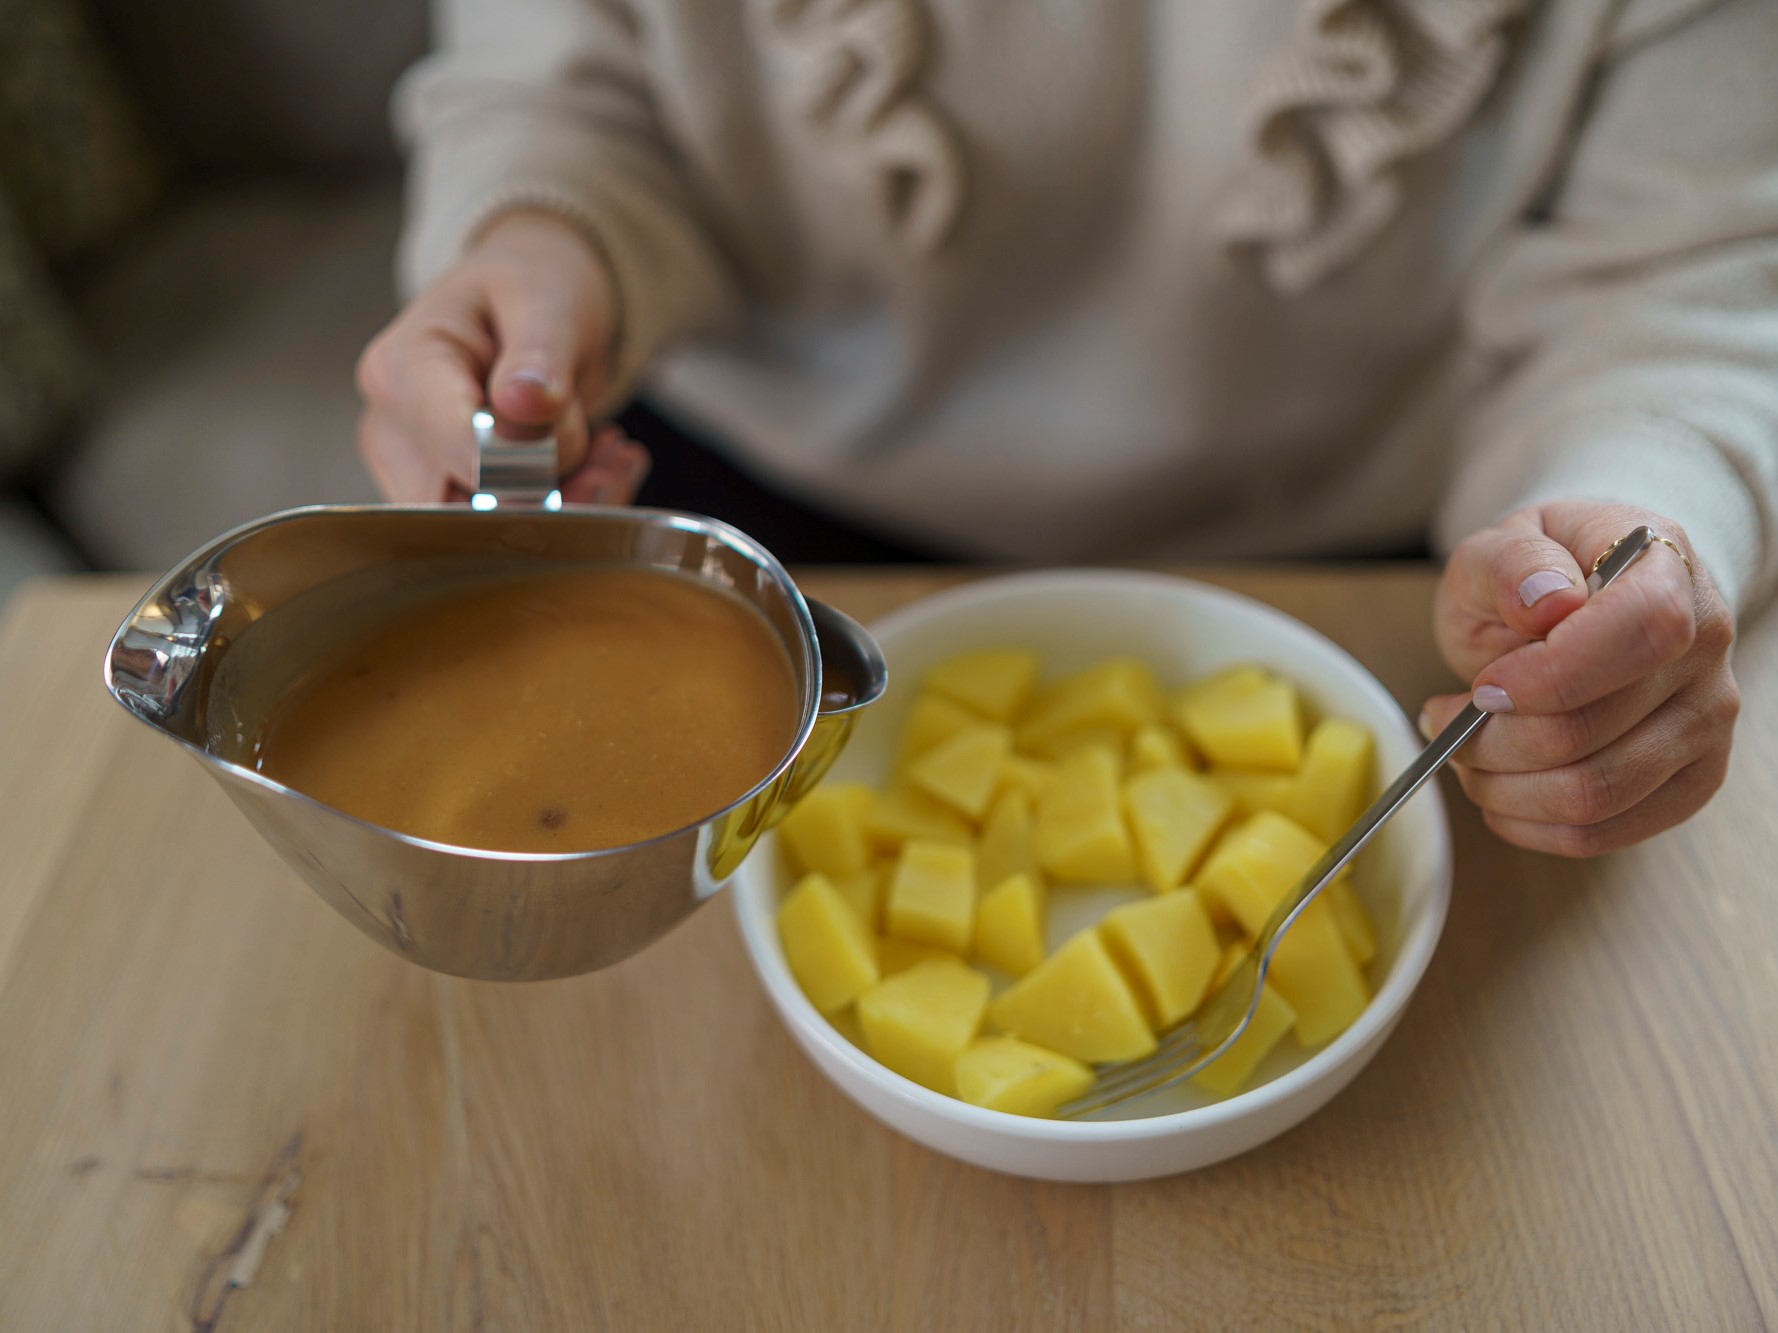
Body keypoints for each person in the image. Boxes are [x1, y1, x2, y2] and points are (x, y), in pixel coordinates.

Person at [356, 0, 1776, 857]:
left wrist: (1633, 510)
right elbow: (558, 89)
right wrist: (539, 245)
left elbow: (1686, 280)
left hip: (1386, 572)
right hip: (742, 489)